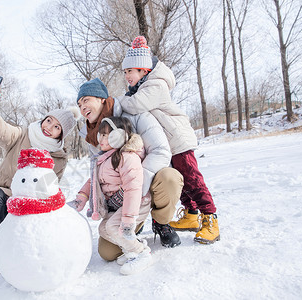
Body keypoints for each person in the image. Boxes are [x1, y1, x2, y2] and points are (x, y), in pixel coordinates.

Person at [118, 36, 220, 244]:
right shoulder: (142, 87)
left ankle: (210, 219)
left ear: (143, 70)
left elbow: (135, 105)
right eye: (125, 72)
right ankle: (191, 215)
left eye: (130, 71)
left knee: (193, 180)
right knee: (180, 182)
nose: (127, 76)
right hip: (168, 143)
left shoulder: (155, 85)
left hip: (178, 141)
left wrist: (115, 102)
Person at [75, 78, 184, 262]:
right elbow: (98, 173)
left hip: (147, 185)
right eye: (79, 104)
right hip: (122, 199)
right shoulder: (93, 137)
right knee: (108, 253)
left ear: (101, 98)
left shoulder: (134, 114)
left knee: (169, 178)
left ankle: (161, 222)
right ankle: (134, 226)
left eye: (86, 100)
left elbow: (161, 151)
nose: (82, 106)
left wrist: (135, 186)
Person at [0, 84, 79, 278]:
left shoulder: (58, 157)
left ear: (61, 134)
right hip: (2, 192)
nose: (49, 127)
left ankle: (29, 259)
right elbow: (1, 130)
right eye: (48, 120)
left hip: (31, 199)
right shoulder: (22, 134)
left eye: (56, 127)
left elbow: (51, 187)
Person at [71, 116, 152, 275]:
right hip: (118, 206)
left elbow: (133, 188)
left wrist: (128, 219)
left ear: (120, 136)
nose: (101, 139)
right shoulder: (104, 158)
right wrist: (82, 196)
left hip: (135, 204)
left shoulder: (127, 156)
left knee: (113, 227)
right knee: (103, 229)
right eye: (100, 134)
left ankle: (142, 253)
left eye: (107, 135)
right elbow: (93, 180)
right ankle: (131, 250)